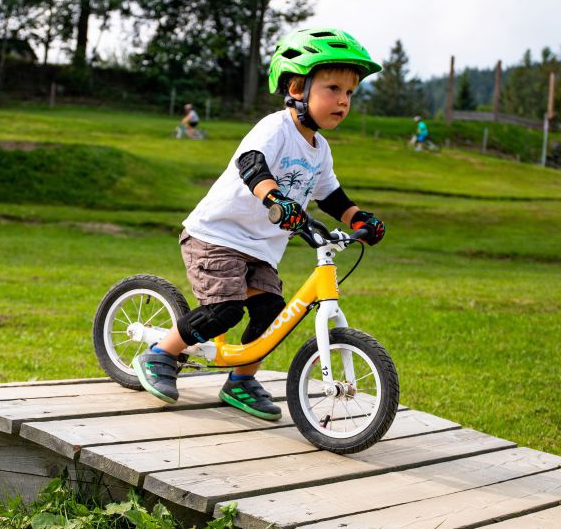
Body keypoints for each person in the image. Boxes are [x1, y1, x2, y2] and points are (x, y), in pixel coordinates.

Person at [133, 27, 386, 419]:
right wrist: (274, 198)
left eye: (349, 93)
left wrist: (360, 219)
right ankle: (160, 355)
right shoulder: (276, 128)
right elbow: (251, 164)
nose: (343, 100)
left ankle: (241, 381)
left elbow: (331, 196)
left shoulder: (320, 150)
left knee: (271, 312)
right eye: (333, 88)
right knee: (227, 309)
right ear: (298, 87)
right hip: (216, 235)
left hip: (259, 249)